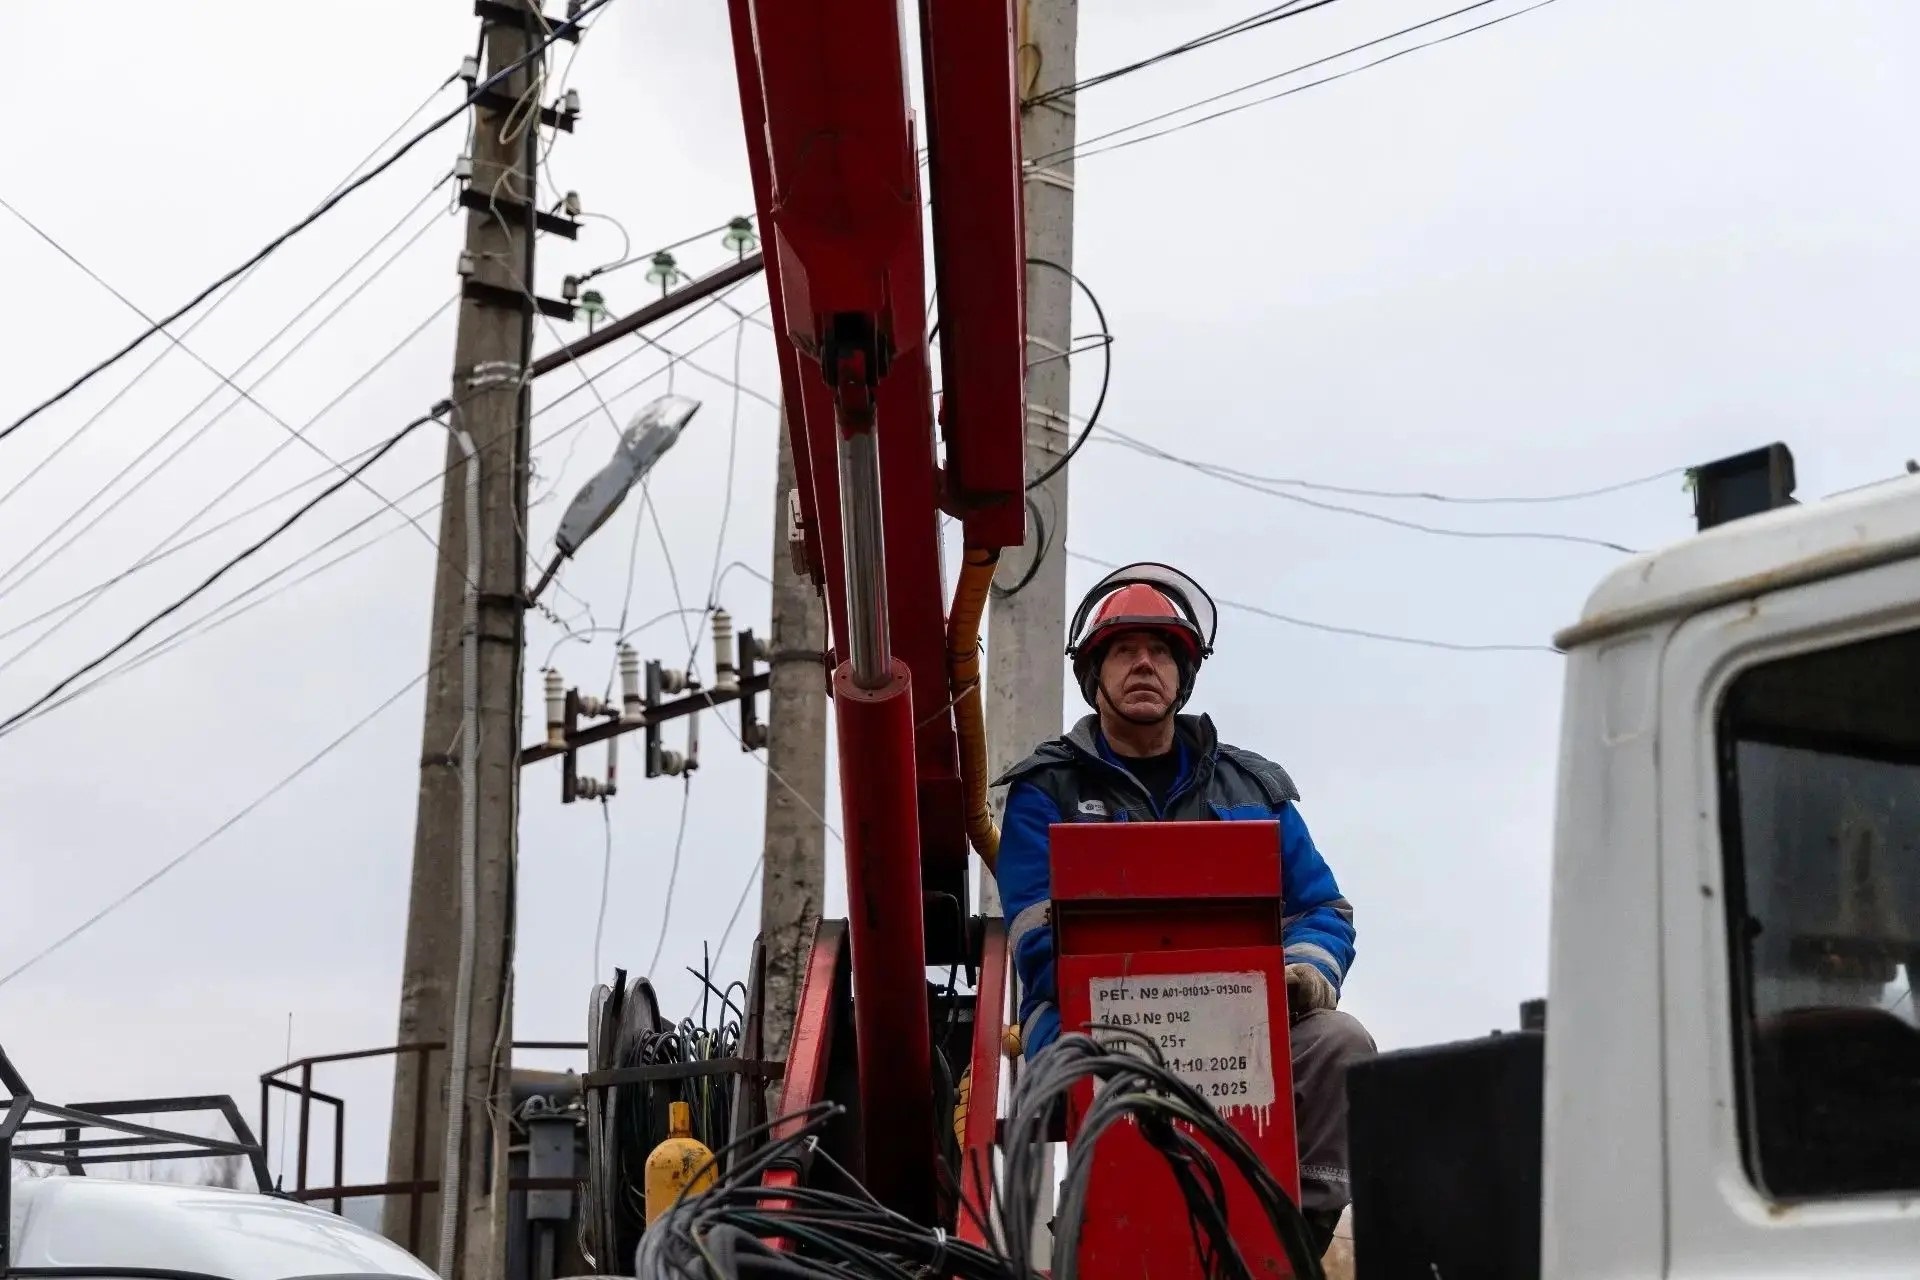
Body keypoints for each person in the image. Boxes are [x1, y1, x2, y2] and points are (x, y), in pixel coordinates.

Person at [995, 561, 1375, 1256]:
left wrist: (1303, 975)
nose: (1145, 664)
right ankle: (1102, 1233)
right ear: (1094, 674)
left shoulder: (1254, 788)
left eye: (1162, 651)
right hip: (1092, 1030)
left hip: (1243, 1022)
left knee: (1340, 1044)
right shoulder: (1044, 791)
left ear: (1184, 673)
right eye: (1124, 651)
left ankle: (1296, 1240)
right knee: (1098, 1118)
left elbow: (1323, 907)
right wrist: (1159, 993)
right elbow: (1033, 934)